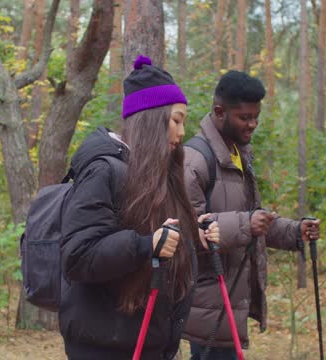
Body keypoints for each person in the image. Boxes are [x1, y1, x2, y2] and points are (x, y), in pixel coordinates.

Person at [59, 55, 220, 360]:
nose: (181, 132)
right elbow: (77, 256)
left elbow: (159, 250)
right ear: (151, 119)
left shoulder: (157, 175)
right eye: (176, 120)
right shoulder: (103, 171)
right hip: (104, 349)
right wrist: (144, 245)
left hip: (149, 346)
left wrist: (194, 240)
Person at [182, 70, 321, 359]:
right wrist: (246, 223)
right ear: (220, 112)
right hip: (208, 303)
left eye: (256, 116)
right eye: (244, 117)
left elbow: (255, 222)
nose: (253, 124)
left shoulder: (238, 154)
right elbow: (186, 234)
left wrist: (296, 231)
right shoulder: (194, 161)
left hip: (232, 300)